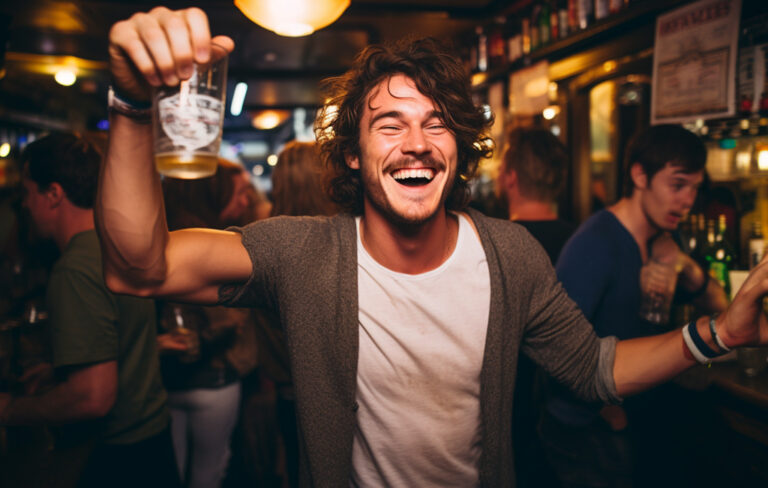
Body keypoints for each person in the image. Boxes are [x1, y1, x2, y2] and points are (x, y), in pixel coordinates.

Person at [99, 7, 768, 486]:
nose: (415, 143)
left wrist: (719, 332)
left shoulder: (510, 257)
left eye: (436, 124)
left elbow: (595, 367)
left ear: (457, 150)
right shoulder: (302, 253)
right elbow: (139, 267)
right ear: (355, 156)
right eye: (388, 124)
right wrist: (131, 106)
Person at [540, 124, 729, 487]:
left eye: (694, 188)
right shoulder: (596, 243)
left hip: (641, 422)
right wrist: (612, 414)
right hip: (587, 433)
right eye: (677, 185)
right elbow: (553, 350)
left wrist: (685, 267)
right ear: (639, 175)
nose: (688, 201)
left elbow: (721, 305)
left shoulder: (666, 242)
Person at [0, 132, 177, 488]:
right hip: (154, 439)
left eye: (28, 194)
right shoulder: (116, 248)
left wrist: (9, 409)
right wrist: (60, 370)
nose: (26, 207)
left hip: (117, 456)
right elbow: (122, 345)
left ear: (53, 195)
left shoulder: (74, 269)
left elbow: (93, 397)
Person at [159, 158, 260, 488]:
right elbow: (226, 320)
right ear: (212, 194)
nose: (246, 202)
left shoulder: (161, 235)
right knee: (209, 471)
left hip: (165, 380)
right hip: (213, 376)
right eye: (239, 194)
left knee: (172, 470)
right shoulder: (214, 246)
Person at [497, 127, 577, 487]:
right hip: (567, 412)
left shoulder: (497, 247)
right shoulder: (581, 242)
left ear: (511, 177)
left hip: (510, 414)